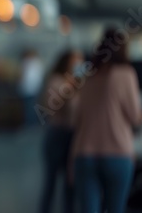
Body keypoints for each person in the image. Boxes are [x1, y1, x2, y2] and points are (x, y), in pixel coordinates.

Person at [72, 27, 142, 213]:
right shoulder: (125, 73)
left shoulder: (88, 76)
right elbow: (134, 116)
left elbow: (78, 118)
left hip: (84, 154)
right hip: (117, 154)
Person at [39, 49, 84, 213]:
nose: (78, 65)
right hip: (57, 134)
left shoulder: (78, 83)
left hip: (72, 135)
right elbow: (50, 106)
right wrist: (70, 88)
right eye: (75, 61)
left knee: (70, 182)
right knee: (51, 181)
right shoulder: (56, 80)